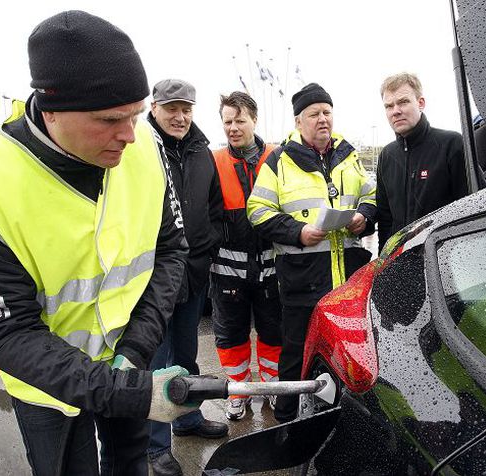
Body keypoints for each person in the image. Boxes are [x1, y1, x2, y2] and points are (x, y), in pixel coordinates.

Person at [0, 11, 197, 475]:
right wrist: (122, 388)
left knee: (131, 464)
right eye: (108, 120)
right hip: (45, 386)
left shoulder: (145, 145)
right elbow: (4, 329)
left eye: (136, 115)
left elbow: (170, 250)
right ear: (51, 111)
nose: (128, 134)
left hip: (129, 355)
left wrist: (137, 348)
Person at [247, 83, 376, 422]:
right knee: (295, 353)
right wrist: (297, 232)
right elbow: (257, 211)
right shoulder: (279, 161)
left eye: (327, 112)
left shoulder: (349, 157)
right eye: (314, 114)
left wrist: (365, 217)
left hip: (347, 279)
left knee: (348, 351)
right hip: (302, 279)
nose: (323, 119)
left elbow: (372, 196)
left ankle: (339, 416)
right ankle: (286, 420)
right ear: (299, 120)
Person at [146, 79, 227, 475]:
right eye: (171, 108)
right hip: (152, 279)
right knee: (155, 364)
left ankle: (188, 420)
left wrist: (207, 248)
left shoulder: (201, 152)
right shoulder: (139, 149)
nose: (179, 117)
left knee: (187, 357)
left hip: (193, 274)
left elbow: (214, 206)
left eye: (186, 109)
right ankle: (155, 446)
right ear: (154, 107)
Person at [211, 92, 282, 420]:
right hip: (228, 270)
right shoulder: (213, 161)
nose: (233, 127)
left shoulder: (278, 158)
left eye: (240, 120)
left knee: (274, 331)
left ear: (254, 120)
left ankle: (272, 386)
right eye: (228, 121)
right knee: (230, 334)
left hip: (272, 267)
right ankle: (237, 390)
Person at [376, 72, 467, 252]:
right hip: (400, 264)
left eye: (403, 102)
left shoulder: (452, 144)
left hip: (445, 263)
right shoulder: (387, 156)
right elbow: (385, 219)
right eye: (389, 106)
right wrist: (382, 264)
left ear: (421, 103)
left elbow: (471, 207)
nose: (396, 111)